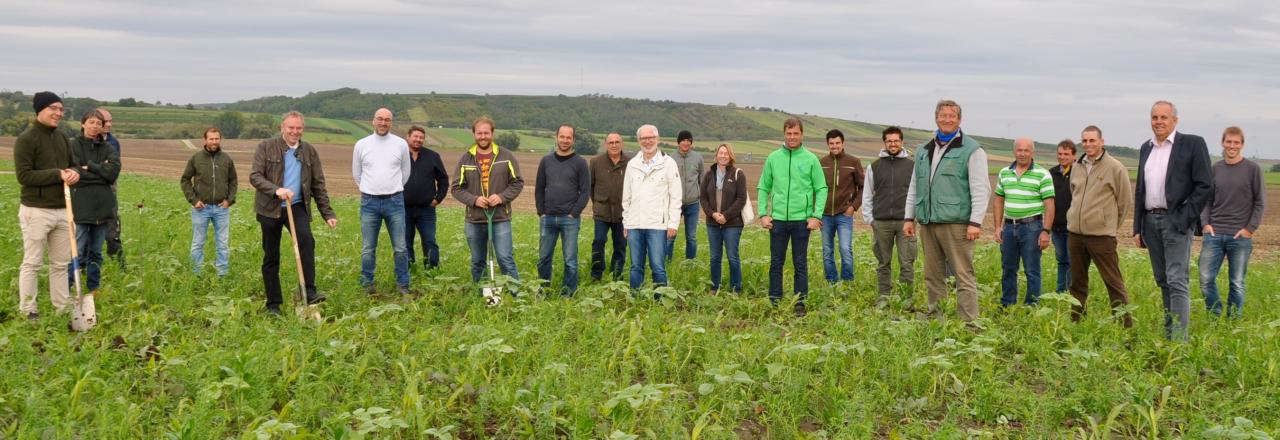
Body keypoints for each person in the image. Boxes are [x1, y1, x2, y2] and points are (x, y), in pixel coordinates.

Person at [903, 100, 990, 322]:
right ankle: (936, 318)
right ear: (936, 118)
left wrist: (975, 222)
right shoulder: (924, 149)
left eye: (952, 116)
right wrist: (909, 218)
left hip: (957, 223)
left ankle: (969, 322)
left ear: (959, 119)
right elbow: (915, 185)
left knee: (963, 274)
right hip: (928, 221)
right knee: (933, 275)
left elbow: (981, 189)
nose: (947, 119)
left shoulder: (972, 149)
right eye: (943, 115)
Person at [1134, 100, 1213, 341]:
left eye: (1163, 117)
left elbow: (1205, 185)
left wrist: (1185, 217)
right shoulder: (1146, 148)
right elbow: (1140, 189)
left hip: (1175, 221)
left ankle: (1179, 341)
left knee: (1177, 279)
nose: (1158, 122)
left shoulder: (1192, 144)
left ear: (1175, 120)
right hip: (1150, 221)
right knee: (1163, 280)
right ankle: (1170, 333)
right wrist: (1137, 226)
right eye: (1154, 117)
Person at [249, 111, 337, 315]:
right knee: (271, 255)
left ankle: (309, 291)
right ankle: (273, 304)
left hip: (296, 206)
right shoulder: (266, 147)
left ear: (302, 129)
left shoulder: (309, 152)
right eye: (291, 128)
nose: (294, 132)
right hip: (270, 208)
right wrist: (275, 190)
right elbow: (255, 176)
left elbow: (318, 184)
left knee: (306, 241)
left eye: (298, 128)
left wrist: (328, 213)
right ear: (283, 128)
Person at [14, 92, 78, 321]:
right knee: (32, 262)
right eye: (53, 108)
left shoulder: (62, 138)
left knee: (61, 264)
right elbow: (24, 176)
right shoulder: (26, 139)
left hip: (63, 209)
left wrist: (73, 173)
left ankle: (62, 307)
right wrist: (57, 174)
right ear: (39, 109)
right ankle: (28, 310)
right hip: (36, 210)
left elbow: (72, 166)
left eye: (61, 109)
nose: (59, 113)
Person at [758, 118, 828, 316]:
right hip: (778, 220)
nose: (792, 137)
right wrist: (763, 214)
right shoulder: (773, 158)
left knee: (800, 263)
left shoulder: (810, 159)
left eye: (796, 133)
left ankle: (800, 303)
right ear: (784, 134)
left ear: (802, 135)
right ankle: (774, 301)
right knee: (776, 262)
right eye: (789, 133)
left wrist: (816, 215)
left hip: (801, 220)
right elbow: (764, 186)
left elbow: (821, 188)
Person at [1067, 126, 1133, 328]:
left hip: (1101, 237)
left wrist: (1108, 225)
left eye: (1092, 140)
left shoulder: (1115, 167)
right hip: (1076, 235)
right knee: (1077, 283)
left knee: (1113, 282)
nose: (1088, 144)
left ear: (1101, 142)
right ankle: (1076, 321)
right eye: (1084, 141)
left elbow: (1124, 202)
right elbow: (1074, 194)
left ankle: (1124, 326)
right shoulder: (1077, 166)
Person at [1198, 126, 1265, 319]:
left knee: (1237, 282)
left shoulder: (1253, 169)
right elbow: (1207, 200)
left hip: (1240, 236)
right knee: (1205, 279)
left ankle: (1232, 321)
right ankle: (1215, 314)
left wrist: (1249, 229)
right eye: (1229, 142)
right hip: (1214, 234)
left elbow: (1260, 201)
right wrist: (1205, 223)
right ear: (1222, 143)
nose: (1232, 146)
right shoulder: (1215, 169)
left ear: (1242, 144)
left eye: (1236, 142)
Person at [452, 116, 523, 284]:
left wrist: (501, 197)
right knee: (477, 261)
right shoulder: (465, 159)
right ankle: (482, 293)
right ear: (474, 134)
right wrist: (474, 200)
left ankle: (514, 294)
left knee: (505, 258)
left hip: (499, 217)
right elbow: (456, 188)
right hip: (474, 219)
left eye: (486, 133)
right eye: (479, 133)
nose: (482, 136)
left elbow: (517, 182)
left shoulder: (506, 156)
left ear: (492, 133)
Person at [353, 108, 412, 295]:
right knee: (368, 247)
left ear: (391, 123)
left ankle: (403, 285)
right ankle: (367, 284)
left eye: (387, 120)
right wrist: (370, 189)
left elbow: (405, 172)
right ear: (373, 121)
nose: (383, 123)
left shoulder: (401, 144)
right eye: (380, 119)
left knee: (401, 247)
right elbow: (357, 174)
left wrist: (391, 189)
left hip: (394, 201)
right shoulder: (361, 145)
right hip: (369, 202)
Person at [993, 138, 1055, 307]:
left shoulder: (1042, 174)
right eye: (1019, 150)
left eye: (1026, 150)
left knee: (1032, 270)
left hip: (1032, 228)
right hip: (1009, 227)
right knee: (1008, 268)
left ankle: (1032, 306)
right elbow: (998, 200)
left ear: (1032, 152)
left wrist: (1045, 231)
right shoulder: (1004, 172)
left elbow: (1049, 205)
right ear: (1014, 152)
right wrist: (998, 227)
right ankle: (1007, 304)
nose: (1022, 154)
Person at [862, 126, 917, 309]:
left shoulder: (912, 166)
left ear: (902, 142)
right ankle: (884, 297)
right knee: (883, 263)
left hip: (905, 223)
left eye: (896, 140)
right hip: (881, 222)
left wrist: (913, 218)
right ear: (884, 143)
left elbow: (917, 194)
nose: (893, 144)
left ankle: (905, 299)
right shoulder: (874, 166)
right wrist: (870, 220)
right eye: (889, 141)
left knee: (906, 262)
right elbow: (867, 194)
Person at [67, 110, 121, 296]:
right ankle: (69, 286)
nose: (95, 126)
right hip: (81, 207)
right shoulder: (73, 146)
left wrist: (89, 166)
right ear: (83, 124)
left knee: (96, 252)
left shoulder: (108, 148)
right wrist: (100, 171)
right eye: (91, 122)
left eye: (98, 123)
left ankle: (93, 287)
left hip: (102, 208)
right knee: (78, 250)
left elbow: (112, 174)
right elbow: (73, 173)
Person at [621, 124, 681, 291]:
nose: (647, 142)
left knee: (658, 266)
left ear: (657, 139)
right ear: (639, 141)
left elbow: (676, 197)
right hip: (635, 224)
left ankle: (661, 299)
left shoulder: (668, 163)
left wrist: (673, 223)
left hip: (657, 225)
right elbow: (626, 197)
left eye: (650, 138)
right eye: (643, 138)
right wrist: (626, 223)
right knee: (635, 266)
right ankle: (635, 298)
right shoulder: (632, 164)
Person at [535, 124, 591, 296]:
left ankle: (568, 293)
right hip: (548, 218)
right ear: (556, 137)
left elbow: (585, 191)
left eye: (569, 137)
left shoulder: (580, 163)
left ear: (573, 140)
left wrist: (574, 213)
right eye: (562, 137)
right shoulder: (546, 161)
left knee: (570, 260)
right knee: (544, 258)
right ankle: (543, 291)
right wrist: (541, 211)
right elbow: (539, 188)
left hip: (570, 220)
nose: (565, 140)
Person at [181, 127, 237, 277]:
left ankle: (222, 275)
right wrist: (193, 200)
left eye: (217, 138)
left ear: (220, 139)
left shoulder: (226, 159)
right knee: (198, 243)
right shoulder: (196, 158)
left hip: (221, 209)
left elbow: (233, 181)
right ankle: (196, 274)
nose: (214, 142)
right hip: (201, 208)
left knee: (223, 244)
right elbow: (185, 180)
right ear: (205, 140)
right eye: (211, 139)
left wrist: (229, 200)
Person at [699, 143, 748, 295]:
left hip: (732, 224)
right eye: (721, 153)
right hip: (712, 223)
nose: (723, 156)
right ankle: (715, 287)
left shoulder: (738, 174)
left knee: (732, 256)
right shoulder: (708, 175)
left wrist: (725, 216)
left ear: (730, 156)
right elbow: (703, 198)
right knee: (715, 257)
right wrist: (713, 214)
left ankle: (736, 288)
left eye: (726, 153)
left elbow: (741, 199)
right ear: (716, 155)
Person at [819, 129, 864, 284]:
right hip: (824, 215)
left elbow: (863, 187)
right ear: (827, 144)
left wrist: (853, 207)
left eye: (837, 143)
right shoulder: (822, 163)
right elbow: (815, 188)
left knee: (845, 249)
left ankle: (847, 283)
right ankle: (831, 282)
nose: (834, 146)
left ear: (842, 143)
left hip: (844, 214)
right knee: (827, 251)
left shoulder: (853, 162)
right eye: (831, 143)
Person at [403, 125, 449, 270]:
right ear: (408, 137)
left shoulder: (433, 156)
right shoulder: (399, 155)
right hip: (403, 209)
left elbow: (443, 180)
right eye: (415, 136)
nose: (418, 140)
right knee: (404, 242)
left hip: (426, 210)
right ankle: (408, 271)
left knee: (430, 241)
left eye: (421, 137)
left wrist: (438, 199)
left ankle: (432, 272)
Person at [589, 133, 630, 282]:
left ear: (622, 144)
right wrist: (598, 202)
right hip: (602, 212)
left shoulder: (630, 163)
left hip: (622, 213)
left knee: (620, 245)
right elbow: (590, 187)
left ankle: (616, 275)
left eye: (617, 142)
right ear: (606, 144)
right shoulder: (595, 162)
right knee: (598, 242)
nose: (614, 145)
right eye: (611, 142)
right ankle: (596, 274)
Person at [666, 130, 703, 261]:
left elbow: (701, 180)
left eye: (689, 140)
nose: (686, 143)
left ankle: (691, 263)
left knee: (691, 237)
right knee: (670, 235)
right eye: (683, 140)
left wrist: (701, 197)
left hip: (693, 204)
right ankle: (666, 263)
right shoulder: (670, 158)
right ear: (678, 142)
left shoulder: (698, 158)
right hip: (675, 204)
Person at [96, 107, 126, 268]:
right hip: (89, 192)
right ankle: (86, 267)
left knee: (112, 228)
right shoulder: (85, 141)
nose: (108, 124)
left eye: (110, 121)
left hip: (109, 189)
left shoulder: (114, 142)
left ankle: (119, 267)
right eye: (105, 121)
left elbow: (115, 168)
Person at [1047, 140, 1076, 294]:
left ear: (1074, 155)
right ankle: (1060, 291)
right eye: (1060, 154)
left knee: (1073, 262)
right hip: (1057, 227)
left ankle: (1073, 292)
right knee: (1061, 260)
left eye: (1066, 154)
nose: (1062, 157)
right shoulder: (1051, 173)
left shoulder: (1079, 172)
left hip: (1074, 228)